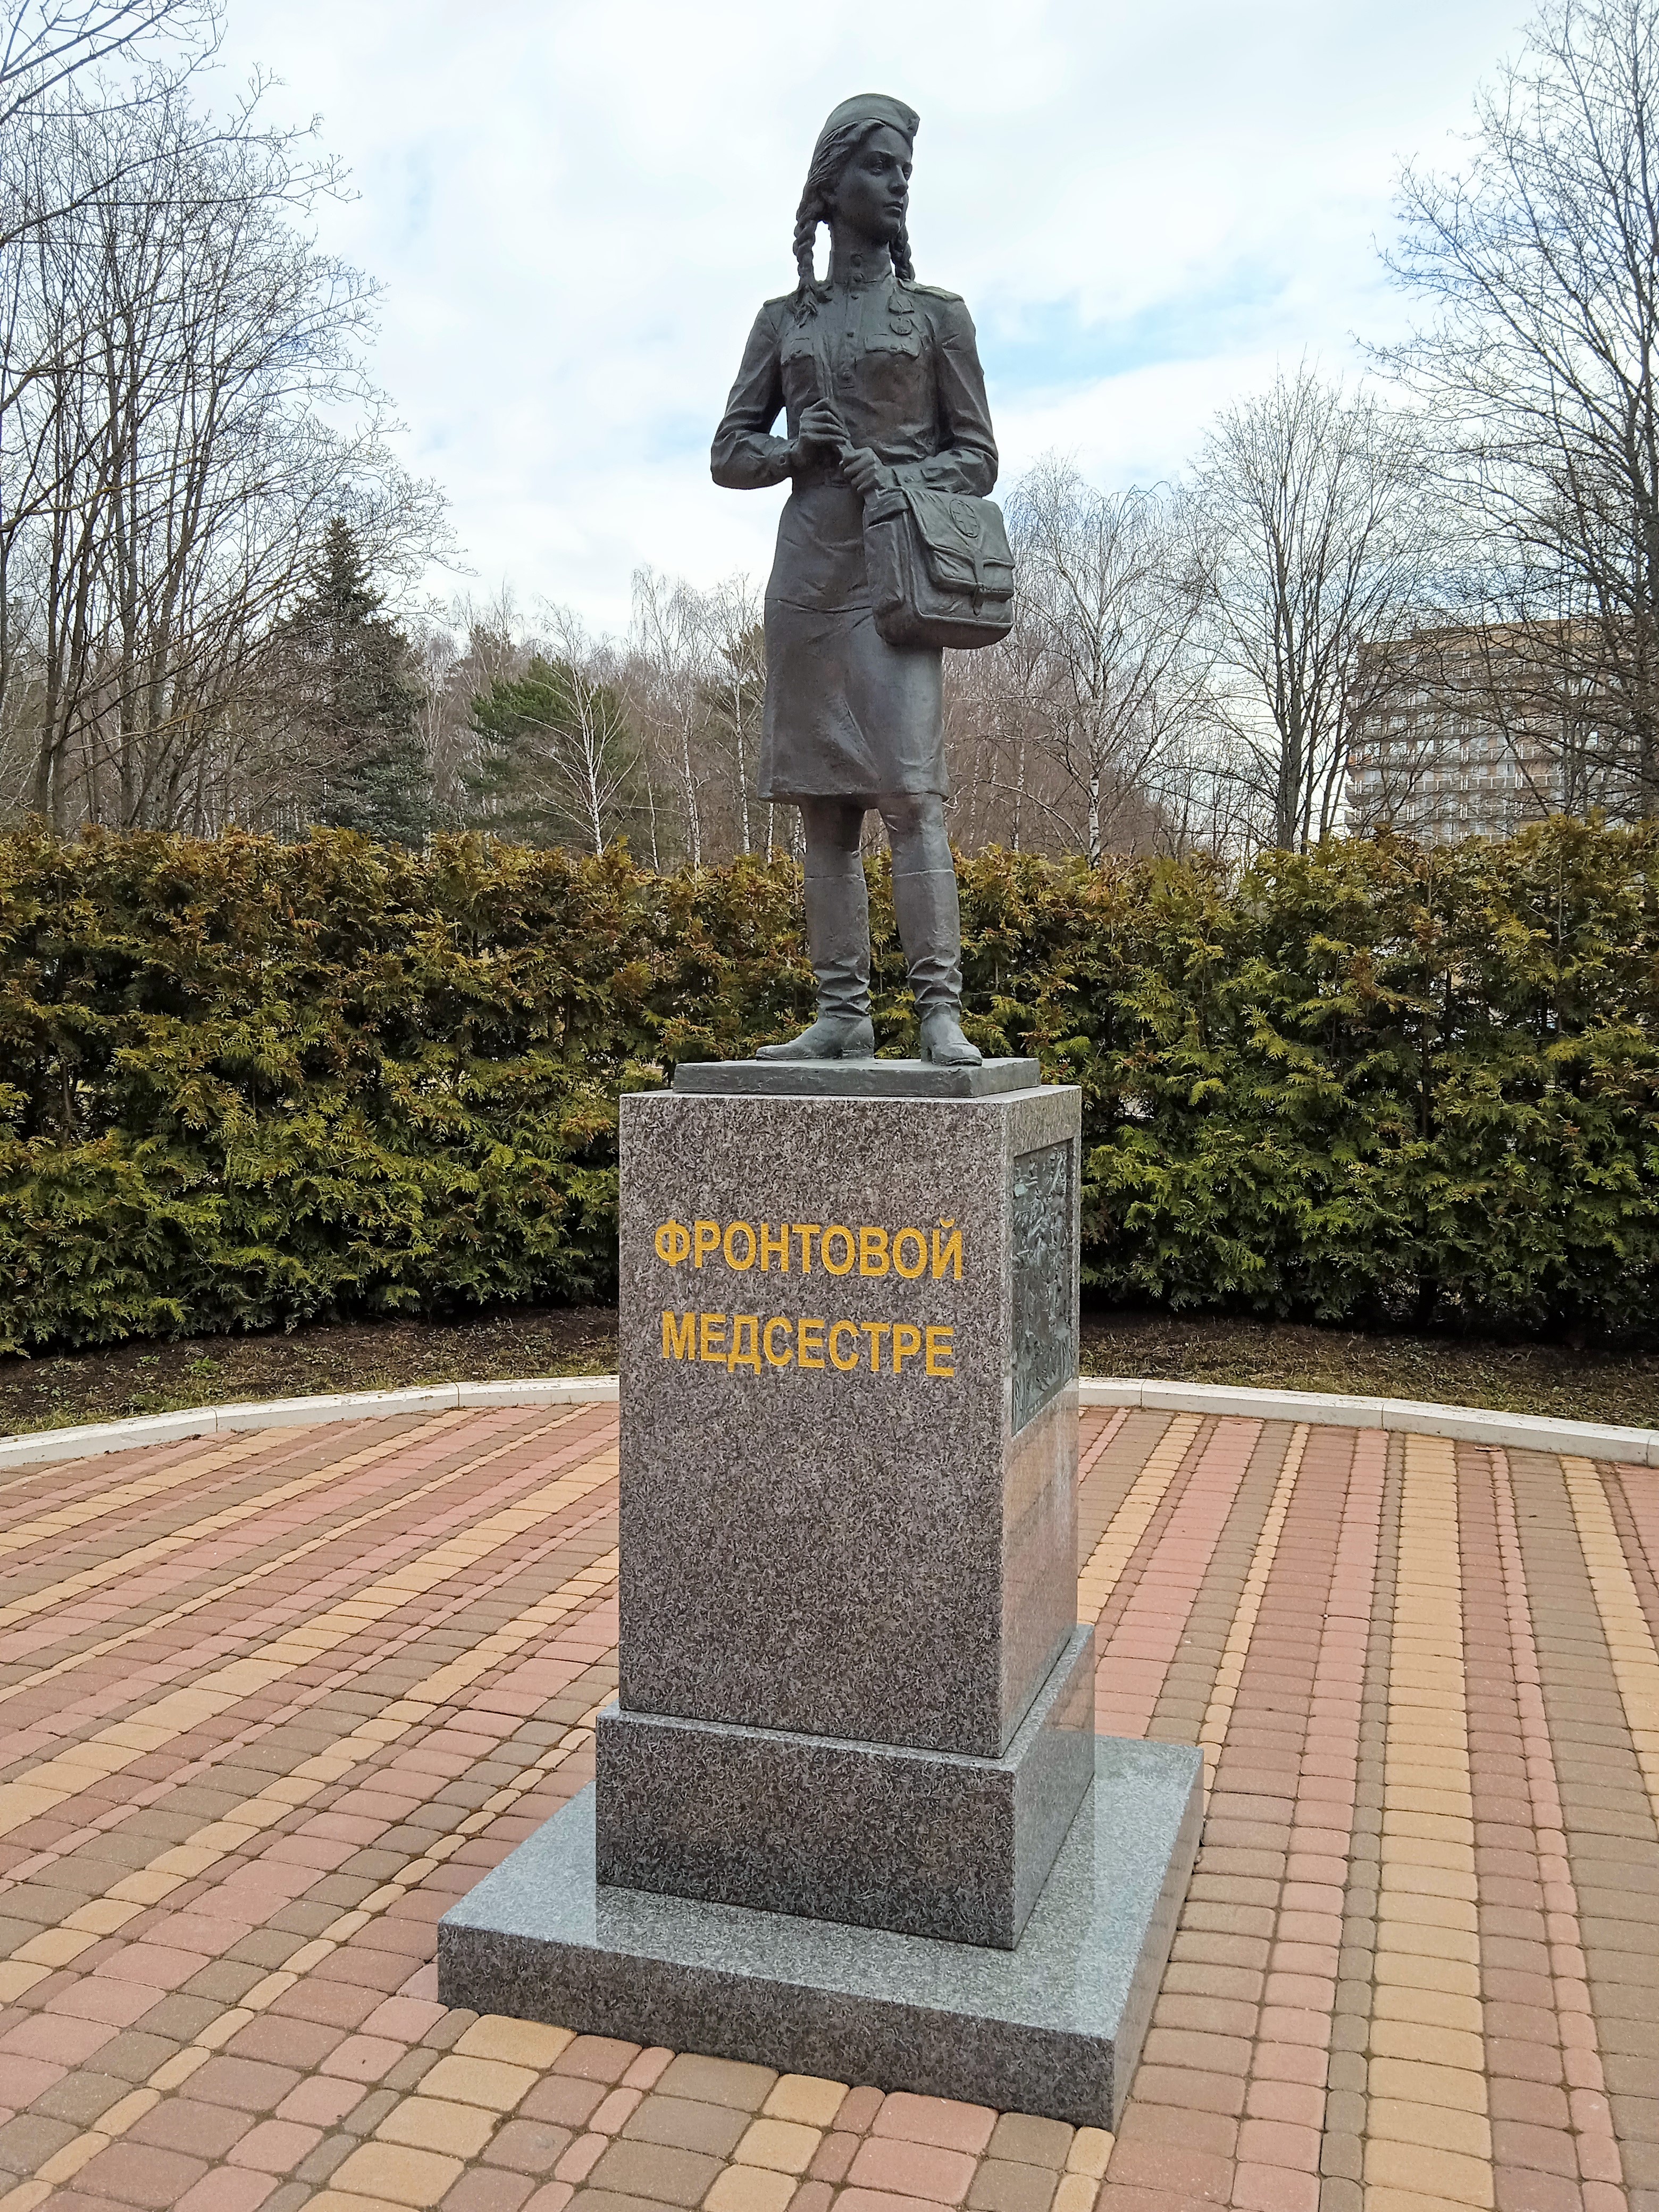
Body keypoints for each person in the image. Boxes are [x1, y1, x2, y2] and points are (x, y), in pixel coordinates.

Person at [711, 92, 998, 1067]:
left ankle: (938, 1016)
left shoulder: (938, 318)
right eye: (879, 166)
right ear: (831, 187)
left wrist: (900, 478)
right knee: (824, 809)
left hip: (894, 582)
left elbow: (978, 459)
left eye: (905, 168)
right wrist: (796, 453)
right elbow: (728, 453)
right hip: (807, 581)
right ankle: (843, 1015)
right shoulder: (782, 321)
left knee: (912, 795)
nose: (899, 181)